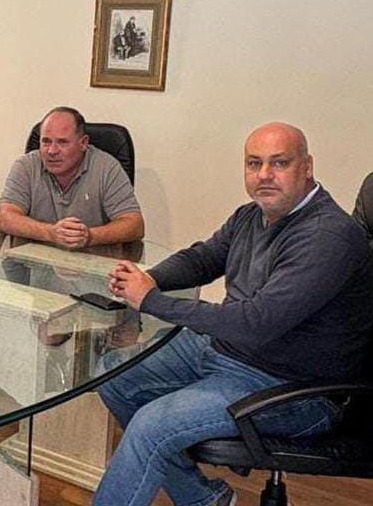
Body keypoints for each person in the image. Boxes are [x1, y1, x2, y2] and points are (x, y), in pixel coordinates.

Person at [92, 122, 373, 506]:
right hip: (223, 352)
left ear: (307, 167)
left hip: (290, 385)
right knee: (112, 374)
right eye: (254, 163)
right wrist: (148, 279)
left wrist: (151, 300)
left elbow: (255, 323)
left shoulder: (328, 236)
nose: (264, 175)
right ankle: (202, 499)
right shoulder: (251, 216)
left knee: (151, 426)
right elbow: (203, 259)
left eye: (279, 163)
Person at [0, 106, 144, 249]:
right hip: (34, 260)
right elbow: (5, 218)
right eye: (46, 142)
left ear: (83, 143)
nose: (52, 151)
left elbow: (135, 225)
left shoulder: (107, 168)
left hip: (91, 259)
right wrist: (51, 233)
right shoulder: (26, 166)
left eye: (62, 142)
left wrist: (90, 236)